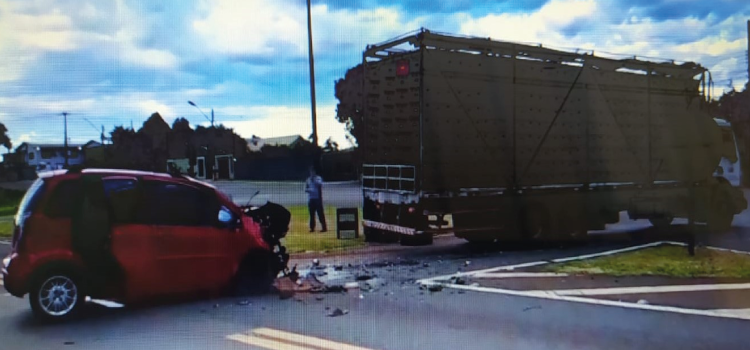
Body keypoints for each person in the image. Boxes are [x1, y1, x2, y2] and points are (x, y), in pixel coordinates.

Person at [305, 166, 327, 232]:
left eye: (313, 172)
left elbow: (320, 184)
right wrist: (309, 190)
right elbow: (305, 188)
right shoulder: (308, 180)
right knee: (312, 214)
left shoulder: (318, 178)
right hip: (311, 199)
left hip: (317, 199)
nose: (312, 173)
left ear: (315, 172)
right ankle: (312, 228)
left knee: (320, 214)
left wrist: (314, 180)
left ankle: (324, 227)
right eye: (311, 172)